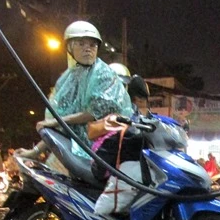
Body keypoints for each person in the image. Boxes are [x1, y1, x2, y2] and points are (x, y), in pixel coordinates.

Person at [16, 21, 133, 164]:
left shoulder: (103, 74)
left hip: (102, 154)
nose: (87, 49)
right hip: (71, 152)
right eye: (81, 44)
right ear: (70, 47)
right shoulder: (68, 79)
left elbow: (95, 113)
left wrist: (55, 122)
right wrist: (35, 151)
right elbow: (61, 124)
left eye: (92, 45)